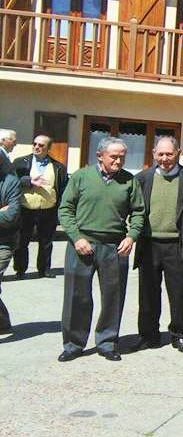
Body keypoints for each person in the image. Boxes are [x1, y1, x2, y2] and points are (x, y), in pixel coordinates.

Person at [57, 137, 145, 362]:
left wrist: (131, 236)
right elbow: (65, 209)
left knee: (113, 296)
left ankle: (107, 342)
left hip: (114, 247)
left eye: (122, 157)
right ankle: (73, 344)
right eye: (114, 156)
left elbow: (138, 212)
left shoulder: (129, 181)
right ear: (100, 156)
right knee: (77, 297)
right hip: (82, 244)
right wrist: (76, 238)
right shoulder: (81, 177)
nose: (118, 161)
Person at [132, 136, 183, 354]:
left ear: (178, 153)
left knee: (179, 293)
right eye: (160, 154)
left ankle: (181, 335)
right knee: (147, 293)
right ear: (154, 153)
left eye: (169, 154)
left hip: (177, 244)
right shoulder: (142, 178)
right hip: (149, 244)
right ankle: (148, 335)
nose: (164, 159)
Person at [11, 135, 68, 279]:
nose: (36, 147)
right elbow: (12, 183)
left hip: (48, 210)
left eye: (41, 145)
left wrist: (61, 209)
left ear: (48, 148)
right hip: (25, 209)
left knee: (46, 242)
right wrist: (29, 181)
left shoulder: (58, 167)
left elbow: (63, 189)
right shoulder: (20, 163)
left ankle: (44, 269)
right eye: (35, 144)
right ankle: (20, 270)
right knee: (21, 241)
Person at [0, 158, 21, 334]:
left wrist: (5, 213)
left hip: (4, 242)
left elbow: (11, 216)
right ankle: (3, 322)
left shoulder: (11, 182)